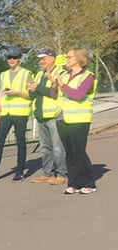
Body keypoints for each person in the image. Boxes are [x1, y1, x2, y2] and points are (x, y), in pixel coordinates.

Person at [0, 46, 33, 183]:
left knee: (20, 142)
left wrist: (17, 93)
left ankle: (20, 171)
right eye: (9, 57)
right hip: (6, 113)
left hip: (20, 113)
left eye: (14, 57)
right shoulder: (3, 75)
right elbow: (1, 94)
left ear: (20, 59)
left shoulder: (26, 74)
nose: (11, 60)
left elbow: (30, 94)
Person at [54, 48, 97, 194]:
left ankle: (88, 182)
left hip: (79, 120)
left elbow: (79, 95)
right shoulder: (64, 75)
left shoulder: (88, 76)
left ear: (79, 59)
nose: (66, 59)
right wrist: (54, 82)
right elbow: (54, 94)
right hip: (62, 118)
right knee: (70, 152)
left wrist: (63, 85)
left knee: (79, 152)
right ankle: (74, 182)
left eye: (69, 57)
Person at [27, 49, 68, 185]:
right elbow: (34, 94)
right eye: (40, 59)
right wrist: (31, 89)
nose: (41, 61)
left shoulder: (60, 73)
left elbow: (54, 94)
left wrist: (37, 87)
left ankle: (62, 174)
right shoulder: (39, 74)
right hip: (40, 115)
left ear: (52, 58)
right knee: (45, 147)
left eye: (44, 58)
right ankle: (47, 173)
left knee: (58, 147)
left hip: (54, 115)